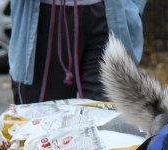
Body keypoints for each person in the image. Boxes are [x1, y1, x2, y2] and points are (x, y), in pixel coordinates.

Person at [8, 0, 145, 104]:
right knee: (42, 125)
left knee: (104, 120)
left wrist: (132, 8)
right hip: (42, 19)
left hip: (108, 16)